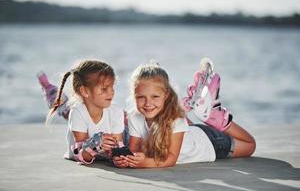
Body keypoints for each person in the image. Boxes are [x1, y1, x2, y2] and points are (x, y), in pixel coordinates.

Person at [113, 60, 256, 168]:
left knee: (250, 145)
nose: (147, 103)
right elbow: (134, 150)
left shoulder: (175, 120)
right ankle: (192, 110)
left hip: (209, 142)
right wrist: (124, 160)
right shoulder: (134, 116)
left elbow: (171, 159)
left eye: (155, 97)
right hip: (189, 133)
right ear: (134, 96)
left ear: (166, 95)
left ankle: (216, 118)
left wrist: (145, 163)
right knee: (177, 122)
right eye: (140, 97)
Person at [47, 59, 125, 164]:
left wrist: (118, 158)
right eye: (104, 88)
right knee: (71, 111)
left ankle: (63, 104)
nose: (111, 92)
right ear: (85, 91)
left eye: (112, 87)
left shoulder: (116, 111)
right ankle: (58, 100)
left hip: (91, 111)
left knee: (126, 117)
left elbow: (118, 148)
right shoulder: (77, 112)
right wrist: (96, 144)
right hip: (80, 113)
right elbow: (80, 155)